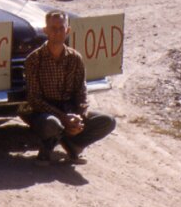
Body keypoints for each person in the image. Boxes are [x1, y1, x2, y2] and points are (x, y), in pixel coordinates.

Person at [24, 10, 116, 165]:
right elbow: (35, 99)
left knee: (107, 121)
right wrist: (63, 117)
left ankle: (74, 144)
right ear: (46, 30)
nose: (57, 32)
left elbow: (81, 91)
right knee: (51, 124)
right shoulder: (34, 59)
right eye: (53, 28)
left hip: (70, 108)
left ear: (67, 31)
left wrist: (79, 116)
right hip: (45, 111)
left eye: (61, 28)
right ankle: (46, 148)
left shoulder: (75, 58)